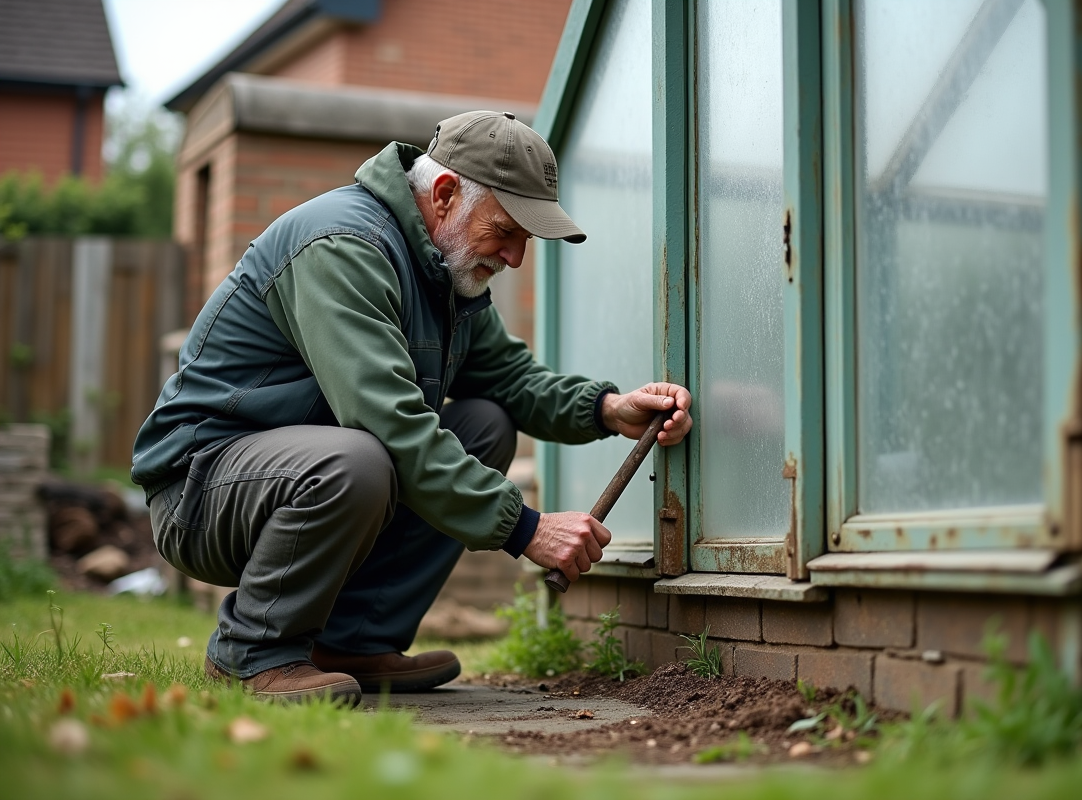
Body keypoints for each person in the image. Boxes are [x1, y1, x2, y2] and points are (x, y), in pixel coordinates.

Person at [131, 111, 692, 705]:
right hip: (203, 489)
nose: (516, 257)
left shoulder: (445, 269)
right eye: (506, 230)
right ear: (446, 195)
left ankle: (350, 641)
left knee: (484, 425)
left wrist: (607, 409)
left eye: (526, 239)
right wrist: (526, 527)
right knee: (358, 459)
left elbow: (510, 378)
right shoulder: (343, 246)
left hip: (302, 471)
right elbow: (388, 422)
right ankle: (253, 652)